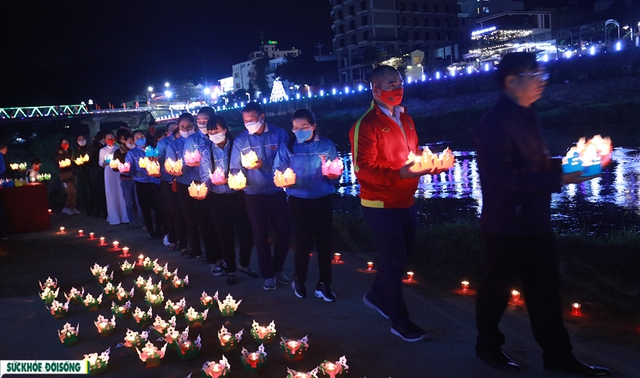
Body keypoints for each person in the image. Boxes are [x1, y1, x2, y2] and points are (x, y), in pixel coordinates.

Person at [473, 52, 611, 377]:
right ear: (511, 81)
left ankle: (558, 356)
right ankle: (488, 348)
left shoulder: (528, 114)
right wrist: (558, 178)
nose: (541, 81)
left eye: (542, 75)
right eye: (535, 75)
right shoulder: (493, 123)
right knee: (496, 290)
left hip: (535, 220)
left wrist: (570, 167)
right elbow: (501, 177)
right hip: (506, 224)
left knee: (546, 292)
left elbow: (532, 164)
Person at [349, 65, 442, 342]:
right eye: (391, 84)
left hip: (406, 199)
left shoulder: (407, 119)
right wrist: (399, 173)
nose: (398, 88)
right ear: (376, 90)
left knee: (400, 258)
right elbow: (361, 169)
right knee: (393, 259)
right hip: (379, 203)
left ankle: (377, 295)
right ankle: (398, 319)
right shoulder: (365, 125)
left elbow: (412, 156)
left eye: (400, 83)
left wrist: (429, 165)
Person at [273, 109, 340, 302]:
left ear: (313, 126)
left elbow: (336, 170)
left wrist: (334, 176)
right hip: (298, 199)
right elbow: (278, 170)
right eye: (296, 127)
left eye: (304, 127)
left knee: (325, 242)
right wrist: (282, 180)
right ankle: (299, 279)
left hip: (322, 197)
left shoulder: (326, 145)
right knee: (303, 241)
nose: (300, 130)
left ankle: (324, 283)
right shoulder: (288, 146)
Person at [229, 102, 292, 291]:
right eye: (245, 120)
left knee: (285, 231)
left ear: (262, 117)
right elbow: (234, 166)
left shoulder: (279, 134)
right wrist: (236, 179)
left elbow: (286, 160)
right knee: (260, 235)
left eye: (252, 119)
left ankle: (278, 267)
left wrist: (264, 164)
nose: (248, 123)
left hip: (276, 191)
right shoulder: (241, 141)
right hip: (253, 193)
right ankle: (268, 274)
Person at [200, 115, 259, 285]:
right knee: (224, 234)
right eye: (210, 131)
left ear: (225, 130)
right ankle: (231, 269)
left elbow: (246, 166)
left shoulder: (236, 146)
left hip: (238, 195)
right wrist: (208, 185)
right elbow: (205, 176)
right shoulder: (207, 152)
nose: (214, 134)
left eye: (216, 130)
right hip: (217, 197)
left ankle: (243, 263)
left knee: (246, 232)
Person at [166, 113, 217, 262]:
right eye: (182, 127)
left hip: (205, 182)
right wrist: (177, 170)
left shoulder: (204, 139)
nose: (186, 129)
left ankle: (213, 252)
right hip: (185, 183)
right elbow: (173, 165)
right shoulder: (175, 145)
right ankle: (195, 249)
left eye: (189, 126)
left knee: (206, 219)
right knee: (190, 218)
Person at [125, 130, 164, 239]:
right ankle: (150, 230)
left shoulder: (152, 150)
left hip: (155, 181)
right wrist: (126, 171)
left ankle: (159, 228)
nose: (140, 138)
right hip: (141, 182)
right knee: (145, 208)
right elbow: (130, 169)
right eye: (137, 138)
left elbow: (160, 162)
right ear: (134, 140)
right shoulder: (132, 153)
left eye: (142, 136)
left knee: (158, 207)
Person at [157, 122, 187, 250]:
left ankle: (188, 241)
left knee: (185, 212)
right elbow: (159, 161)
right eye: (172, 128)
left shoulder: (190, 141)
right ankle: (173, 238)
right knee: (173, 212)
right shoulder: (165, 143)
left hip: (185, 180)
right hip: (169, 180)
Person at [98, 131, 128, 225]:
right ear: (104, 140)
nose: (110, 140)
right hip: (108, 172)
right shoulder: (102, 150)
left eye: (111, 137)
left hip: (118, 171)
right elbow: (100, 162)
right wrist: (104, 163)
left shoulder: (118, 148)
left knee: (120, 192)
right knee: (111, 192)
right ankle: (114, 215)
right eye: (108, 138)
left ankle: (124, 215)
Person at [113, 131, 139, 227]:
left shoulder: (138, 151)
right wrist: (120, 168)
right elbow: (115, 167)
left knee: (139, 201)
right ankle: (131, 221)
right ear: (125, 141)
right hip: (125, 179)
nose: (132, 143)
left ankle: (143, 222)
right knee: (128, 201)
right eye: (130, 141)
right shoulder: (118, 152)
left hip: (137, 178)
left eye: (133, 141)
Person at [55, 138, 79, 215]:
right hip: (64, 174)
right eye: (63, 143)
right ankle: (67, 207)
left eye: (66, 142)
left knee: (75, 191)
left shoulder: (71, 152)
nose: (65, 144)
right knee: (71, 191)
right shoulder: (58, 154)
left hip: (72, 173)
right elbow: (58, 164)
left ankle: (73, 207)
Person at [73, 134, 94, 216]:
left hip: (90, 170)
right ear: (77, 141)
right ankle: (88, 209)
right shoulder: (75, 150)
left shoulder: (89, 148)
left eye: (83, 138)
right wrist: (80, 163)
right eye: (79, 139)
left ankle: (94, 208)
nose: (81, 140)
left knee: (92, 189)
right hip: (81, 172)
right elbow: (73, 161)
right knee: (84, 191)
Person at [89, 132, 107, 218]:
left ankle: (100, 212)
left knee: (100, 192)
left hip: (97, 171)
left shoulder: (94, 146)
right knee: (99, 192)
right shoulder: (98, 147)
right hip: (97, 170)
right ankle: (101, 212)